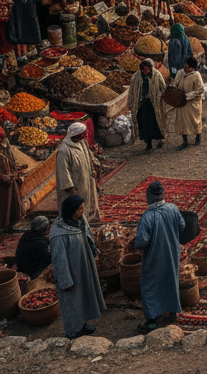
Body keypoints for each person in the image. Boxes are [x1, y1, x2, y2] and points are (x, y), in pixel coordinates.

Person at [50, 195, 105, 339]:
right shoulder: (59, 234)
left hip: (83, 266)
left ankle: (83, 324)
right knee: (73, 300)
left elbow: (88, 235)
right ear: (72, 210)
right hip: (72, 272)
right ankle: (73, 331)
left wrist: (94, 251)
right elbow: (59, 260)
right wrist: (65, 280)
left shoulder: (80, 221)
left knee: (84, 296)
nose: (83, 210)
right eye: (81, 208)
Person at [133, 180, 185, 332]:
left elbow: (141, 242)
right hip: (172, 254)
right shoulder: (173, 209)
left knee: (150, 286)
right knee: (170, 279)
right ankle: (173, 312)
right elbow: (182, 226)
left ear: (148, 197)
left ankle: (151, 320)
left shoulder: (147, 217)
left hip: (154, 258)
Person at [56, 121, 100, 222]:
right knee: (74, 207)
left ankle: (87, 219)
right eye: (83, 134)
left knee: (86, 201)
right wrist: (69, 186)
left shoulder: (82, 142)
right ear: (76, 134)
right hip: (75, 183)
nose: (85, 135)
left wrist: (95, 164)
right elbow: (62, 170)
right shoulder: (64, 150)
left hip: (85, 177)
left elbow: (88, 154)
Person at [128, 58, 166, 151]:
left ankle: (159, 140)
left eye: (147, 69)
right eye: (143, 70)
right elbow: (132, 91)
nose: (145, 71)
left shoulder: (157, 75)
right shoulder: (136, 77)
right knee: (144, 123)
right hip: (142, 104)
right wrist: (130, 103)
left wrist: (162, 98)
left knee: (155, 122)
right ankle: (148, 143)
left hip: (154, 104)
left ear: (150, 68)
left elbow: (163, 87)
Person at [173, 56, 204, 150]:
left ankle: (198, 136)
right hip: (181, 102)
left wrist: (188, 96)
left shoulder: (196, 75)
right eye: (186, 66)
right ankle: (184, 141)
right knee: (182, 121)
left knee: (194, 120)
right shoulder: (180, 73)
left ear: (192, 68)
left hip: (192, 102)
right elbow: (175, 84)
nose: (186, 68)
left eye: (189, 67)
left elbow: (200, 90)